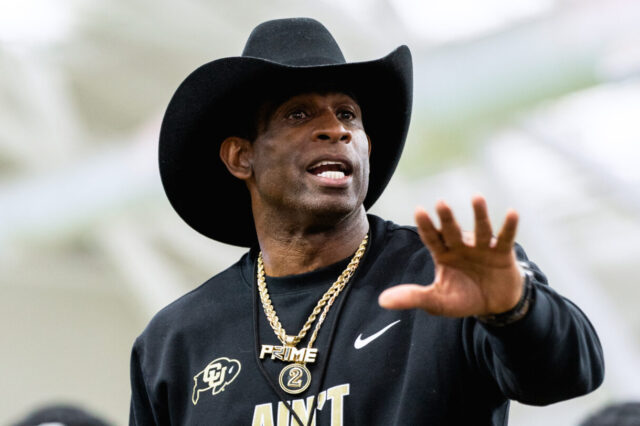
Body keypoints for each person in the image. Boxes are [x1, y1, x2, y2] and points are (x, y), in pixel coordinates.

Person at [129, 17, 604, 425]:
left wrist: (514, 309)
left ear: (366, 148)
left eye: (348, 115)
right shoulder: (176, 341)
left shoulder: (451, 273)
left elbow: (569, 374)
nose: (335, 129)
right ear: (241, 157)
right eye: (298, 114)